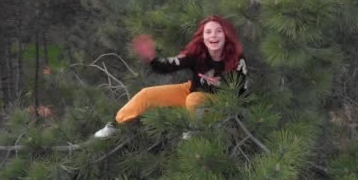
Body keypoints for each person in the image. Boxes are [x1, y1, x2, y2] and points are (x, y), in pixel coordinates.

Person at [94, 15, 249, 138]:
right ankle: (115, 125)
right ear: (202, 37)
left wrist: (236, 118)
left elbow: (241, 92)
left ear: (226, 35)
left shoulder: (236, 59)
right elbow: (170, 65)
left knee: (194, 99)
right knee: (147, 94)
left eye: (218, 31)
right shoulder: (197, 54)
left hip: (222, 102)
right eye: (208, 32)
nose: (213, 36)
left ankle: (198, 130)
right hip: (191, 90)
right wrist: (152, 59)